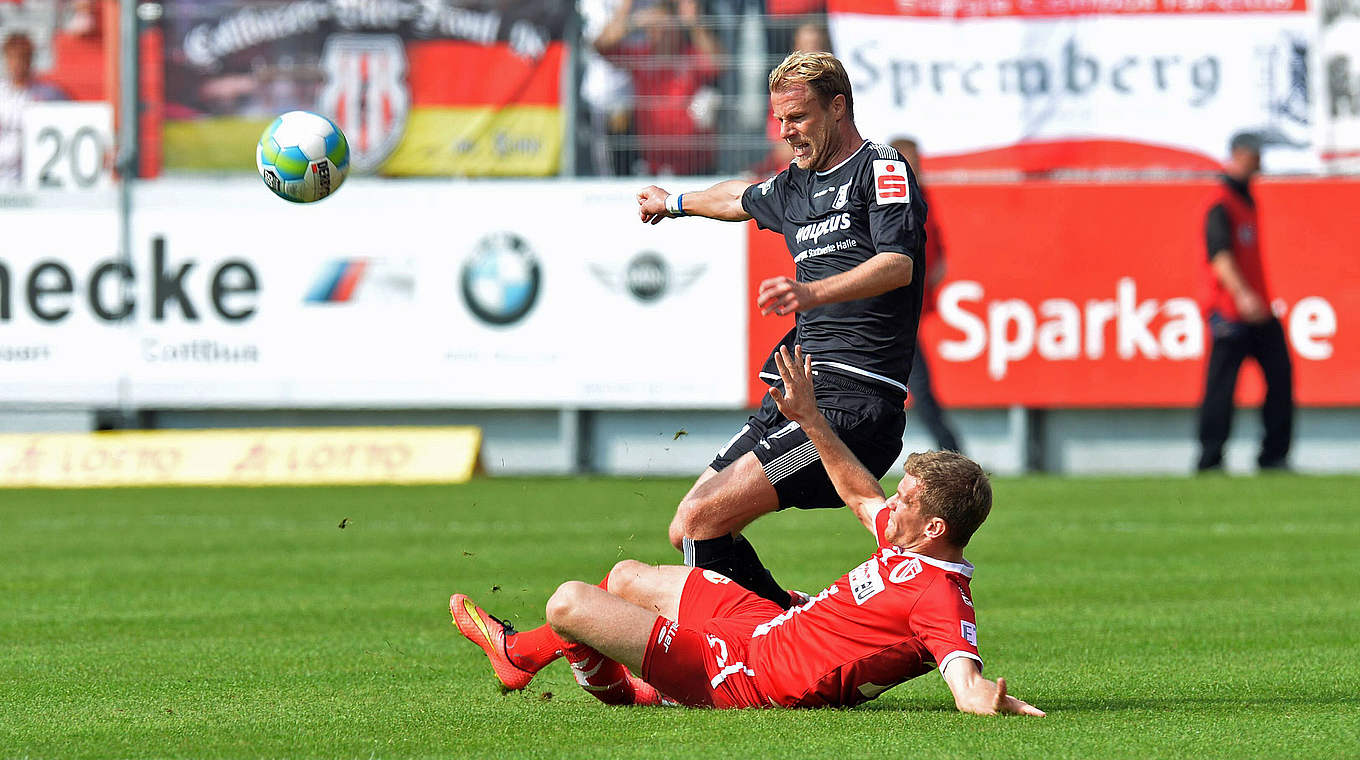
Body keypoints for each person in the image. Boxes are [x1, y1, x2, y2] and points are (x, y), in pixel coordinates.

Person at [450, 344, 1043, 716]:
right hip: (766, 626)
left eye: (906, 499)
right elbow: (860, 492)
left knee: (570, 603)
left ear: (935, 526)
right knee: (627, 577)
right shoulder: (910, 538)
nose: (895, 501)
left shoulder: (940, 596)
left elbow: (963, 677)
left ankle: (603, 682)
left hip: (745, 676)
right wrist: (810, 417)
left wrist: (986, 698)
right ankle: (523, 658)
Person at [635, 50, 925, 612]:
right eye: (780, 119)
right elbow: (737, 197)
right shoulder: (794, 185)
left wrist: (812, 292)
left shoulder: (882, 169)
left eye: (798, 117)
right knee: (689, 526)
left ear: (837, 108)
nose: (787, 131)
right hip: (797, 395)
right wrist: (673, 203)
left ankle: (736, 661)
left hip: (851, 406)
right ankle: (791, 628)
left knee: (702, 520)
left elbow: (898, 263)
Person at [1195, 132, 1293, 473]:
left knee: (1281, 379)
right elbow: (1220, 257)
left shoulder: (1246, 199)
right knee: (1221, 388)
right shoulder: (1221, 202)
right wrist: (1242, 294)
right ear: (1237, 155)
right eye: (1255, 154)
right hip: (1231, 312)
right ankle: (1210, 460)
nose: (1260, 161)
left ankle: (1274, 456)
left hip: (1259, 311)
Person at [891, 137, 962, 453]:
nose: (915, 167)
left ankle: (952, 451)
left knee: (913, 385)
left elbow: (938, 251)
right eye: (909, 161)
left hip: (904, 311)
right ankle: (952, 451)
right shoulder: (891, 200)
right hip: (890, 312)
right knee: (917, 384)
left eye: (917, 160)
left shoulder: (920, 197)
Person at [594, 0, 723, 175]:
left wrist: (694, 24)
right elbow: (601, 46)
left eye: (664, 27)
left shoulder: (690, 56)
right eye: (653, 27)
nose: (658, 33)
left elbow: (719, 63)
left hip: (695, 164)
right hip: (653, 164)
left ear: (676, 27)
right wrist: (631, 19)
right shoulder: (642, 57)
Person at [0, 32, 69, 186]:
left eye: (22, 57)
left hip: (34, 178)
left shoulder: (49, 95)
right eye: (12, 57)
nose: (17, 63)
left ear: (30, 59)